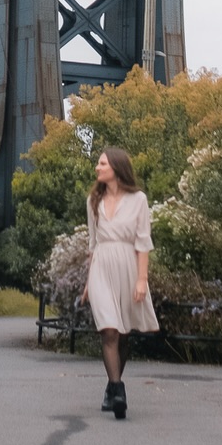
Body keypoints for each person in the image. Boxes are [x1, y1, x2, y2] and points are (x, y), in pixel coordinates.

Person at [81, 146, 157, 419]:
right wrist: (89, 283)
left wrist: (141, 280)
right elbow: (92, 244)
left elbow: (143, 242)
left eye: (102, 164)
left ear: (116, 168)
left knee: (124, 333)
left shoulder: (138, 200)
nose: (97, 168)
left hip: (128, 266)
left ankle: (110, 387)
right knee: (110, 330)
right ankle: (119, 389)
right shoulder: (93, 201)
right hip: (101, 266)